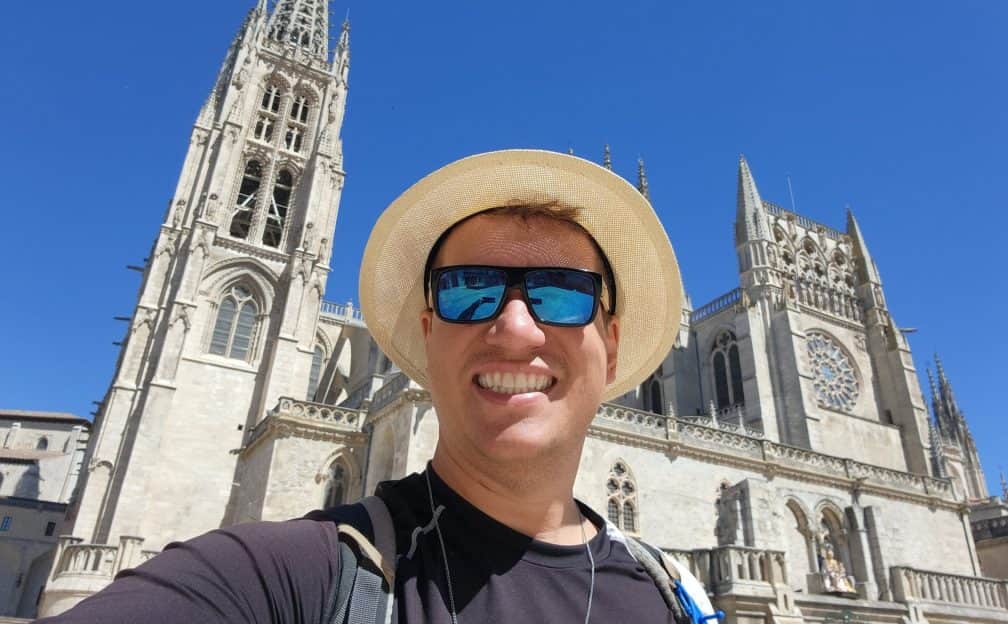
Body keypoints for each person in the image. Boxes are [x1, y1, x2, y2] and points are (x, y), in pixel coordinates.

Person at [40, 150, 714, 623]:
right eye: (468, 291)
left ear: (613, 341)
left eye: (564, 296)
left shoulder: (676, 596)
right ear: (424, 334)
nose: (516, 327)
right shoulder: (299, 575)